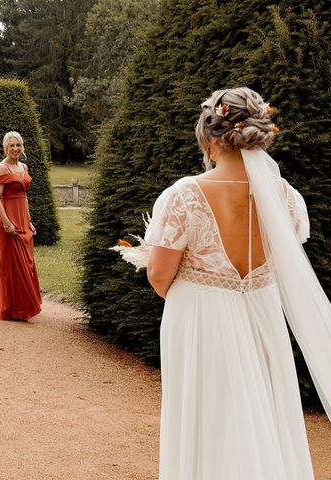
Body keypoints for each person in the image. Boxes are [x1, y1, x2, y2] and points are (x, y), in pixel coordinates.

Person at [145, 87, 331, 479]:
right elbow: (287, 260)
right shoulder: (286, 197)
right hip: (262, 314)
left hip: (200, 319)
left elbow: (160, 275)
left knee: (206, 416)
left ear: (211, 138)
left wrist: (195, 288)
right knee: (264, 411)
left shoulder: (185, 195)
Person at [0, 131, 41, 321]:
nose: (15, 149)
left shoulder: (23, 167)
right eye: (11, 145)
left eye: (18, 145)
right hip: (7, 222)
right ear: (5, 147)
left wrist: (29, 221)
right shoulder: (1, 169)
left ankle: (22, 307)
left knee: (26, 265)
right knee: (12, 267)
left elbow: (24, 197)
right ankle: (12, 309)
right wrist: (7, 223)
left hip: (22, 220)